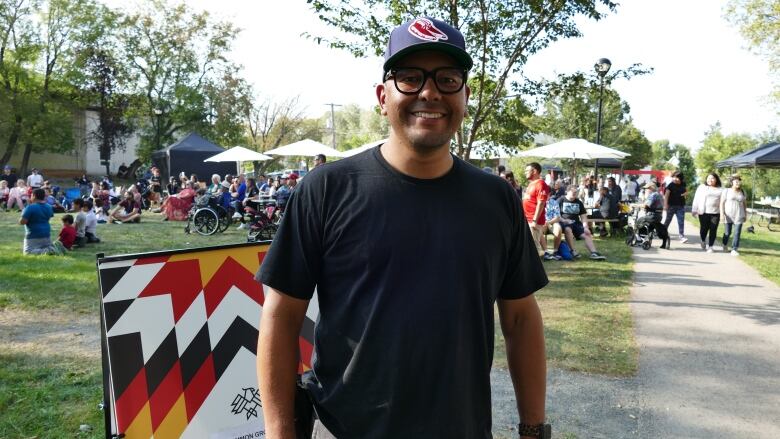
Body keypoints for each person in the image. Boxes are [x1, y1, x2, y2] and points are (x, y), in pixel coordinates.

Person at [257, 17, 549, 439]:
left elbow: (521, 318)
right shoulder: (326, 189)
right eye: (410, 78)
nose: (429, 91)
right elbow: (281, 317)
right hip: (345, 429)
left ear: (465, 96)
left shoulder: (496, 199)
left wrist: (534, 429)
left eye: (448, 79)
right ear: (382, 96)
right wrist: (280, 432)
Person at [558, 186, 607, 260]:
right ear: (567, 192)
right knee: (568, 229)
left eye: (576, 193)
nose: (575, 194)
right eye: (573, 192)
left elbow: (583, 216)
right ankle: (572, 251)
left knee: (587, 233)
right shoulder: (561, 200)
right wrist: (563, 220)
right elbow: (555, 214)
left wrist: (585, 227)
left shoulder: (578, 202)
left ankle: (594, 253)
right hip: (564, 222)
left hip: (576, 223)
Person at [19, 188, 63, 255]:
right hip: (46, 235)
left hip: (33, 235)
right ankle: (51, 247)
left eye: (31, 195)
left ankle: (51, 250)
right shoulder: (48, 207)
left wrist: (24, 211)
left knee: (28, 252)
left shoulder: (30, 207)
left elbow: (22, 222)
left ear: (34, 195)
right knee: (42, 248)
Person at [522, 162, 550, 258]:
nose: (525, 172)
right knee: (529, 244)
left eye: (527, 170)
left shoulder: (541, 184)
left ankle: (536, 268)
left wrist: (534, 220)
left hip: (534, 221)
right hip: (527, 219)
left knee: (534, 246)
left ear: (534, 171)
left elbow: (541, 203)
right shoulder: (531, 184)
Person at [691, 172, 723, 253]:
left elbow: (723, 202)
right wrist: (694, 209)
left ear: (716, 179)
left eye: (712, 178)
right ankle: (703, 240)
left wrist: (723, 213)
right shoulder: (702, 187)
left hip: (716, 213)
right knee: (704, 228)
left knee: (713, 229)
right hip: (704, 212)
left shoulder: (721, 189)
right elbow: (696, 198)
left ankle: (711, 246)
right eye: (708, 178)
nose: (710, 180)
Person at [637, 183, 670, 249]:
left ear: (651, 188)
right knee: (651, 227)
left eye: (647, 188)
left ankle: (640, 239)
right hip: (658, 216)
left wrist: (637, 205)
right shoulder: (659, 194)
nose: (646, 190)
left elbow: (647, 205)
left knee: (639, 221)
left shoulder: (653, 195)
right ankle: (650, 241)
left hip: (652, 216)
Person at [720, 175, 747, 255]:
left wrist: (745, 214)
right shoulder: (726, 191)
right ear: (732, 183)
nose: (738, 182)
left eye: (739, 181)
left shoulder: (743, 191)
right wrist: (722, 214)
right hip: (728, 215)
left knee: (737, 233)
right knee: (727, 233)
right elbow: (722, 203)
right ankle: (724, 244)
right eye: (736, 181)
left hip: (739, 215)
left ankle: (734, 249)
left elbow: (745, 204)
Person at [663, 171, 688, 242]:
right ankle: (663, 233)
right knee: (668, 220)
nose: (674, 179)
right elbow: (666, 196)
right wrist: (665, 205)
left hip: (681, 206)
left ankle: (681, 236)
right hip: (671, 206)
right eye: (673, 177)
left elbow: (686, 191)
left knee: (681, 221)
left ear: (680, 178)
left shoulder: (683, 184)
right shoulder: (670, 185)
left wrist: (685, 194)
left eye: (676, 177)